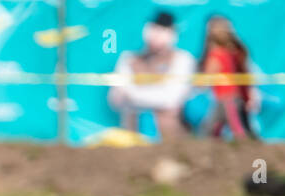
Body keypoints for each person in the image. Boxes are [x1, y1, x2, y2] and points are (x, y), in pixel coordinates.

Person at [108, 11, 196, 139]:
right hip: (133, 140)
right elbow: (116, 99)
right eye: (154, 29)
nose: (156, 35)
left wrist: (132, 94)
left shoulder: (183, 59)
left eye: (162, 30)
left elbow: (171, 99)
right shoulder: (129, 59)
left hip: (170, 139)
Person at [196, 15, 256, 140]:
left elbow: (205, 79)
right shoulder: (234, 53)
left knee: (238, 132)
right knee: (211, 131)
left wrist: (198, 82)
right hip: (227, 99)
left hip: (228, 100)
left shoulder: (217, 54)